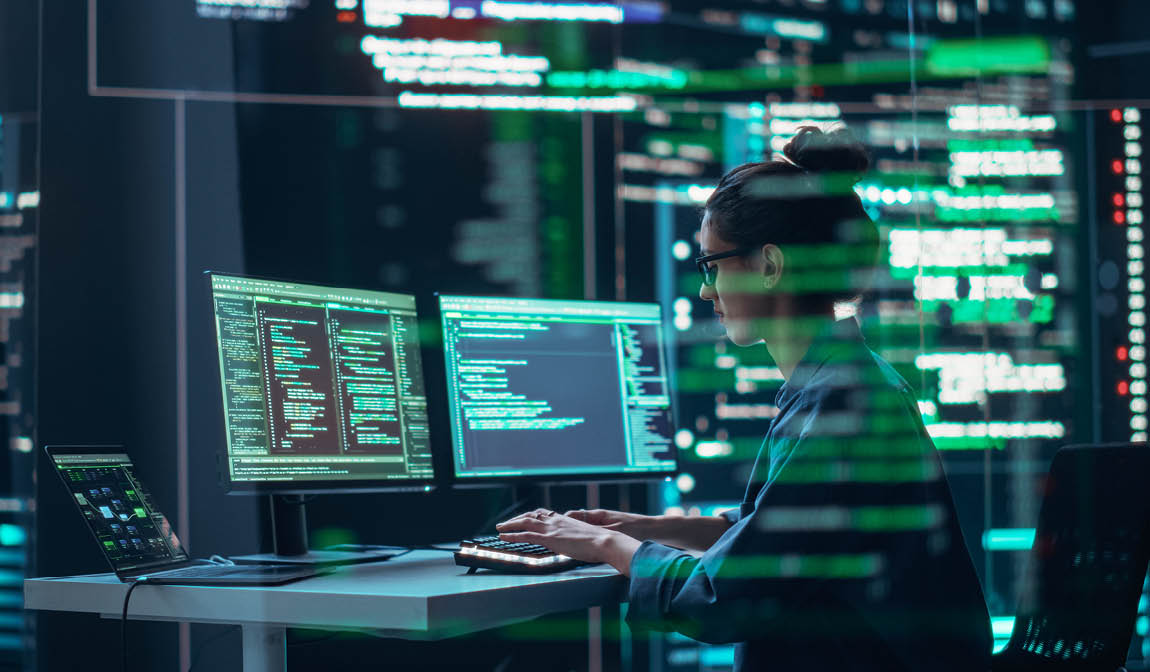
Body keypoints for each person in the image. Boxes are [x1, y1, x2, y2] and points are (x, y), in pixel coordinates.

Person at [497, 125, 992, 671]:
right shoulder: (848, 382)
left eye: (711, 265)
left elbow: (721, 599)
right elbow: (777, 537)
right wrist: (644, 529)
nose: (706, 290)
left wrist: (603, 546)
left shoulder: (840, 406)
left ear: (770, 266)